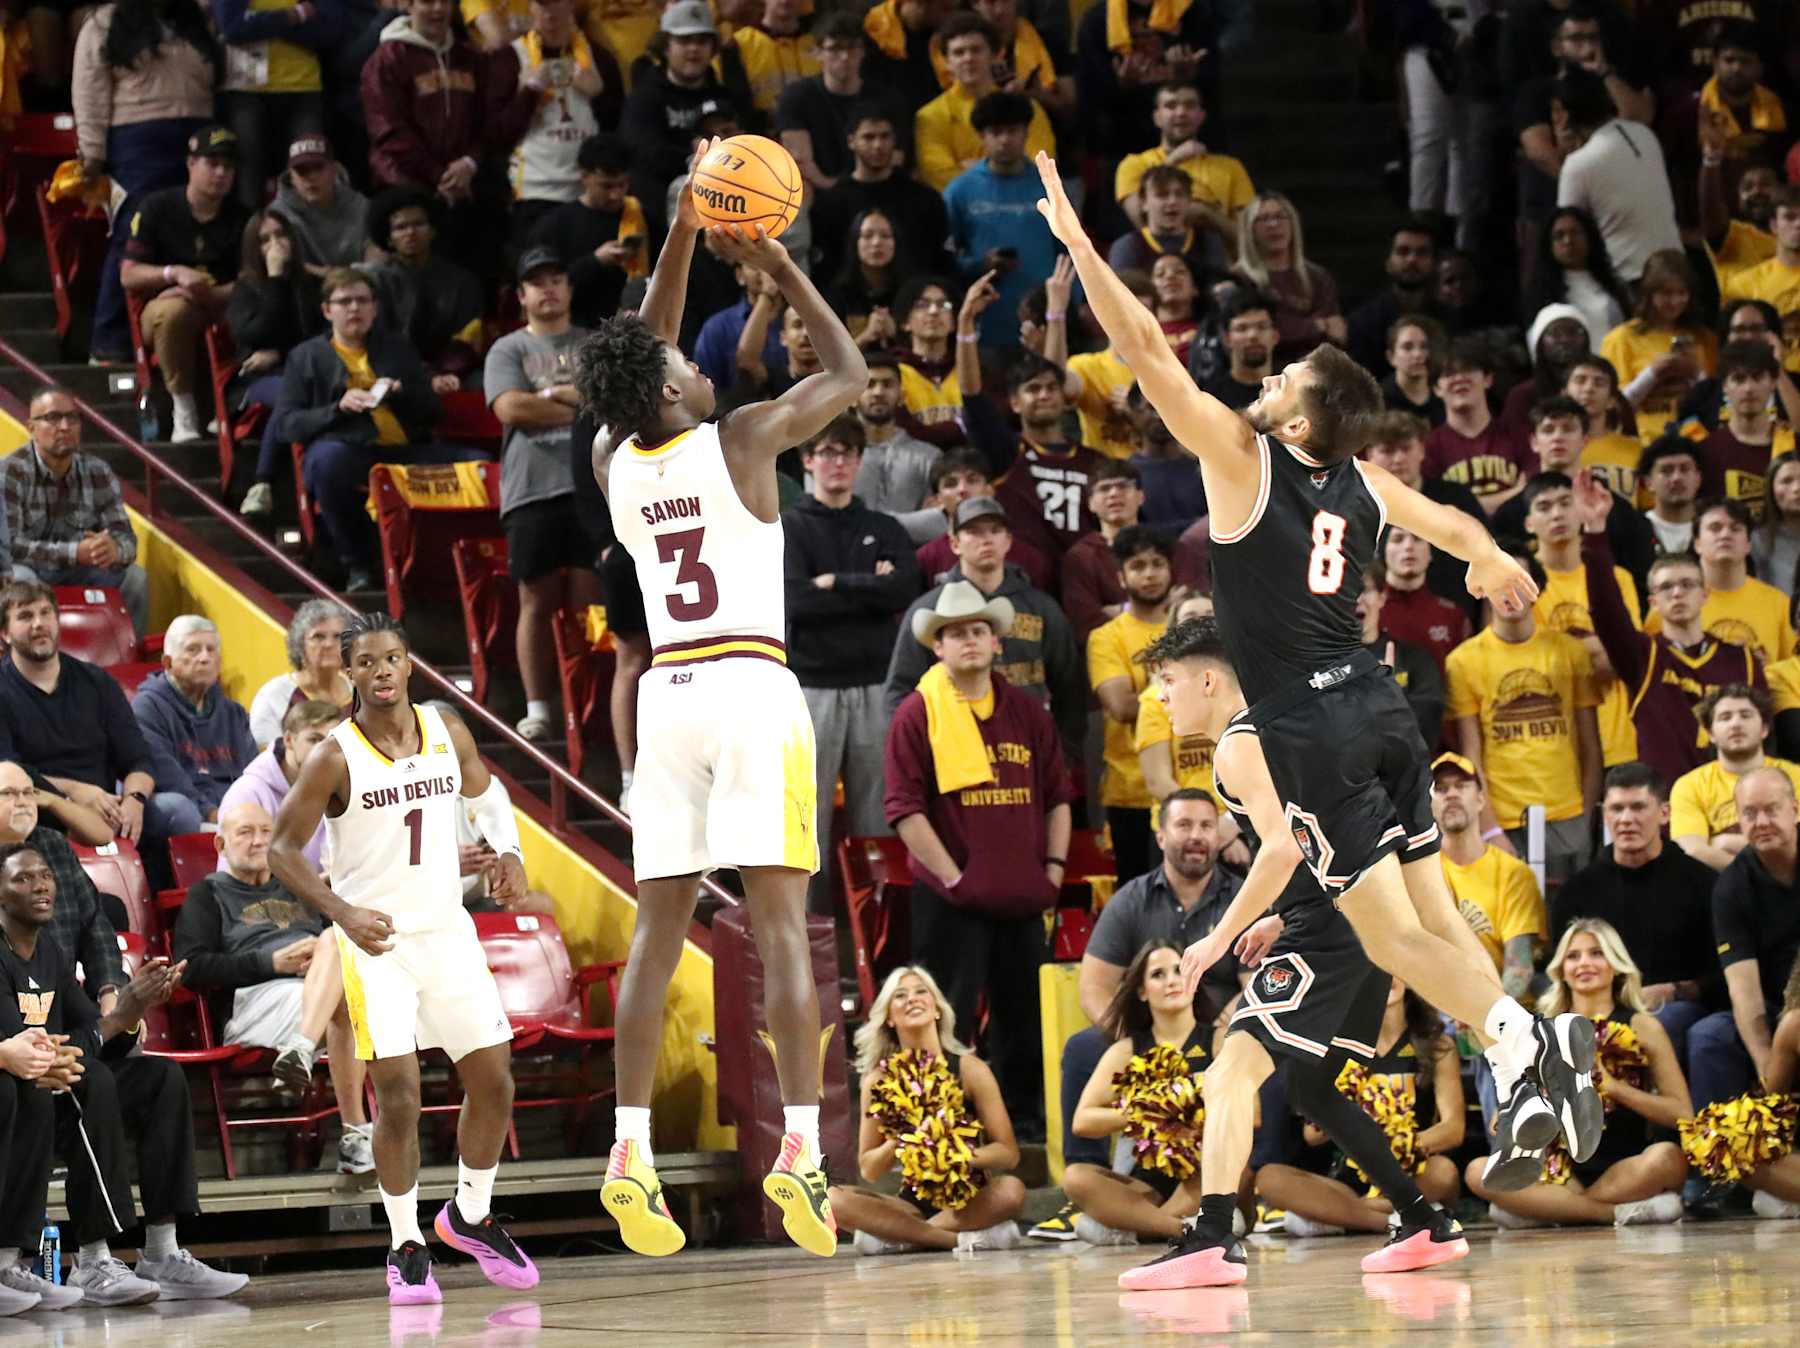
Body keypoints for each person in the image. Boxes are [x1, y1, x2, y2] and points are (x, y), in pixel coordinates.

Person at [1036, 152, 1593, 1286]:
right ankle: (1522, 1046)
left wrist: (1086, 252)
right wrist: (1494, 561)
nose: (1268, 378)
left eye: (1284, 375)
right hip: (1385, 708)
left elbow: (1145, 354)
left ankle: (1516, 1039)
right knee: (1431, 914)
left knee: (1391, 939)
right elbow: (1442, 511)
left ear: (1299, 415)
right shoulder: (1362, 480)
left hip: (1312, 727)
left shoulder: (1248, 466)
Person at [575, 153, 870, 1259]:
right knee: (782, 923)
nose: (700, 367)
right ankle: (803, 1144)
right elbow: (846, 373)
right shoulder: (740, 439)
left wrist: (684, 231)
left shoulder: (615, 457)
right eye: (683, 369)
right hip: (750, 685)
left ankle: (629, 1144)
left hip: (668, 700)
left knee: (660, 937)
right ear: (668, 392)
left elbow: (638, 349)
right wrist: (785, 267)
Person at [1117, 620, 1473, 1290]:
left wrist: (1218, 937)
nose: (1160, 698)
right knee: (1311, 1084)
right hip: (1359, 916)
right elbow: (1319, 840)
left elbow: (1279, 845)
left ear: (1209, 679)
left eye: (1167, 682)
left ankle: (1213, 1235)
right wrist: (1282, 914)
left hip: (1333, 930)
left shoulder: (1238, 743)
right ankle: (1423, 1220)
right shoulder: (1284, 727)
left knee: (1227, 1075)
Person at [270, 613, 539, 1301]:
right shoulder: (335, 754)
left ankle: (470, 1216)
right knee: (400, 1098)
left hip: (447, 931)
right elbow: (279, 850)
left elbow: (485, 791)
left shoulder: (447, 729)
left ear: (409, 663)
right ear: (349, 672)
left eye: (393, 658)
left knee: (497, 1083)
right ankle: (404, 1242)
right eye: (367, 661)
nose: (382, 670)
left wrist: (507, 850)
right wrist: (343, 912)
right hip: (377, 943)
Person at [0, 843, 249, 1306]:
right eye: (22, 878)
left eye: (45, 876)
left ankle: (162, 1253)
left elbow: (96, 1029)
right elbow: (24, 1049)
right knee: (91, 1079)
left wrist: (133, 1005)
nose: (40, 885)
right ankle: (91, 1261)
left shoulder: (50, 951)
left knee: (160, 1078)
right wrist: (75, 1044)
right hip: (16, 1097)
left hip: (54, 1085)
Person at [884, 583, 1072, 1139]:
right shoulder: (917, 714)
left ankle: (1025, 1123)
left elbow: (1058, 796)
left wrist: (1055, 871)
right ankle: (947, 1126)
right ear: (936, 649)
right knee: (946, 1019)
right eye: (954, 633)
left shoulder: (1028, 712)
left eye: (976, 630)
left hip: (1022, 895)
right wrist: (954, 877)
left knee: (1026, 1019)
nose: (967, 640)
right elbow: (904, 810)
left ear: (996, 642)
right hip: (951, 900)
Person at [172, 800, 372, 1173]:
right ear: (221, 845)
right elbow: (191, 968)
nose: (258, 841)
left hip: (313, 996)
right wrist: (270, 963)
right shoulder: (207, 895)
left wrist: (317, 964)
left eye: (266, 832)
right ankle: (355, 1132)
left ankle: (302, 1049)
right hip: (254, 1003)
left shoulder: (296, 888)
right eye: (245, 833)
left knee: (333, 948)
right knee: (344, 982)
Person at [1466, 920, 1690, 1229]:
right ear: (1561, 969)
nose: (1584, 963)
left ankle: (1551, 1212)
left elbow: (1682, 1112)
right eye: (1573, 956)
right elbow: (1505, 1115)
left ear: (1616, 965)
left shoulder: (1642, 1025)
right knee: (1479, 1171)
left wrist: (1614, 1087)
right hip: (1559, 1173)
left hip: (1625, 1168)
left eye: (1596, 953)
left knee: (1668, 1157)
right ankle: (1610, 1214)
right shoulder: (1538, 1030)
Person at [783, 415, 920, 914]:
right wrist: (869, 586)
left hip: (876, 686)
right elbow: (796, 602)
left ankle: (878, 927)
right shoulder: (790, 528)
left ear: (860, 462)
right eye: (827, 452)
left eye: (847, 453)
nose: (837, 462)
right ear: (807, 460)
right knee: (806, 817)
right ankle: (804, 925)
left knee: (876, 821)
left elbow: (904, 589)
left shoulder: (883, 527)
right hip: (812, 688)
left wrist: (835, 583)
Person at [273, 266, 478, 592]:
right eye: (344, 302)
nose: (354, 308)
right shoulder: (306, 356)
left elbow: (432, 412)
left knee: (480, 466)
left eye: (362, 300)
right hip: (351, 451)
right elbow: (286, 425)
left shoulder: (396, 348)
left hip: (406, 450)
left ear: (375, 308)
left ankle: (461, 566)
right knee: (328, 461)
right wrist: (336, 409)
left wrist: (402, 392)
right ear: (327, 311)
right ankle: (356, 564)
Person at [1572, 472, 1762, 786]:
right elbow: (1607, 611)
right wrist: (1594, 530)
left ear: (1704, 595)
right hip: (1668, 815)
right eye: (1666, 587)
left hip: (1734, 806)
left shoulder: (1741, 659)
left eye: (1687, 584)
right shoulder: (1643, 657)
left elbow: (1764, 739)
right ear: (1654, 602)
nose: (1676, 593)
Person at [826, 966, 1027, 1254]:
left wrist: (956, 1156)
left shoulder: (970, 1069)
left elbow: (1008, 1153)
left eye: (922, 991)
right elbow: (869, 1168)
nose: (912, 999)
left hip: (970, 1198)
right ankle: (955, 1240)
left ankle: (900, 1236)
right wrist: (903, 1140)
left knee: (1012, 1190)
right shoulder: (878, 1082)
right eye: (900, 995)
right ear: (889, 1018)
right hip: (912, 1204)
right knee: (833, 1200)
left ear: (937, 1010)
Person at [485, 249, 598, 741]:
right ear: (522, 296)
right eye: (537, 282)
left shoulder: (595, 344)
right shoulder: (507, 349)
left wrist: (551, 400)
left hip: (592, 486)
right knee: (536, 600)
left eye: (557, 279)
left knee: (589, 599)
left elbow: (613, 403)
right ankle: (538, 708)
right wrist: (580, 407)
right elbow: (510, 408)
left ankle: (585, 699)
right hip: (530, 489)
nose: (548, 289)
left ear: (569, 289)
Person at [1551, 763, 1722, 1079]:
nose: (1626, 819)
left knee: (1654, 1026)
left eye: (1638, 807)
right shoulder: (1577, 891)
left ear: (1664, 813)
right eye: (1617, 809)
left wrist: (1677, 990)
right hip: (1597, 1008)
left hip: (1677, 1010)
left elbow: (1724, 971)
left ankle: (1665, 1124)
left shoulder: (1703, 884)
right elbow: (1559, 968)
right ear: (1605, 816)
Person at [72, 0, 221, 365]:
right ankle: (109, 345)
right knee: (132, 232)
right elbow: (88, 88)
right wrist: (91, 152)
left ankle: (177, 342)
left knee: (193, 232)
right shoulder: (104, 22)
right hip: (136, 139)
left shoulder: (198, 18)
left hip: (199, 132)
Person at [1254, 982, 1464, 1239]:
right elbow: (1312, 1135)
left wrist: (1396, 1146)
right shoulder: (1337, 1047)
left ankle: (1339, 1217)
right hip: (1348, 1180)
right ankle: (1398, 1221)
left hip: (1413, 1169)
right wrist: (1345, 1101)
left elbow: (1453, 1129)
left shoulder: (1438, 1045)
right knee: (1269, 1178)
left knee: (1444, 1172)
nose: (1386, 978)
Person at [885, 495, 1086, 760]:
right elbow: (900, 691)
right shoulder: (930, 611)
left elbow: (1070, 688)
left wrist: (1063, 755)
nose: (986, 539)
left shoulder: (1042, 608)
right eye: (973, 531)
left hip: (1027, 750)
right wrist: (918, 755)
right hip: (951, 753)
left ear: (1008, 541)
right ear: (954, 543)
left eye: (995, 530)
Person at [1445, 545, 1602, 884]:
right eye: (1499, 582)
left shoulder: (1570, 653)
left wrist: (1587, 815)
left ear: (1537, 589)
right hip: (1504, 817)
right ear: (1481, 588)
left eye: (1520, 581)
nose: (1510, 593)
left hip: (1569, 813)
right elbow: (1472, 753)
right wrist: (1489, 828)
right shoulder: (1463, 661)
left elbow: (1591, 746)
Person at [0, 581, 182, 849]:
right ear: (4, 633)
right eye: (25, 616)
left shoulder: (97, 680)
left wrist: (134, 799)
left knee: (176, 810)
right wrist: (75, 792)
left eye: (46, 613)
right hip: (37, 806)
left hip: (108, 806)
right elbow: (9, 773)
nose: (38, 624)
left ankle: (151, 890)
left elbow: (138, 759)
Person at [1063, 942, 1218, 1244]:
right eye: (1158, 974)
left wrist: (1188, 1109)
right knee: (1076, 1177)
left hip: (1203, 1171)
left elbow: (1251, 1113)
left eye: (1179, 971)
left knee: (1237, 1165)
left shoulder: (1219, 1040)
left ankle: (1141, 1226)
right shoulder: (1126, 1050)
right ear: (1142, 991)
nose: (1172, 980)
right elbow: (1083, 1120)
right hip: (1146, 1181)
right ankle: (1180, 1230)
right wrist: (1149, 1109)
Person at [119, 124, 249, 444]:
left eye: (228, 167)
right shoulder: (157, 206)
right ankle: (184, 407)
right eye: (212, 164)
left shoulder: (243, 216)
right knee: (174, 312)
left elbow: (253, 280)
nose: (221, 173)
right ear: (191, 164)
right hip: (164, 304)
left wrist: (209, 294)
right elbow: (128, 274)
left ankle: (237, 405)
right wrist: (173, 273)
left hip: (221, 303)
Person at [1515, 471, 1641, 768]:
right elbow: (1537, 666)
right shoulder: (1521, 584)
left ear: (1581, 509)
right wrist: (1595, 646)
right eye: (1544, 507)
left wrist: (1566, 649)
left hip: (1620, 739)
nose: (1557, 514)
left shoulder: (1617, 578)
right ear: (1529, 523)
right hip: (1555, 745)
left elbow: (1627, 657)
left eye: (1565, 503)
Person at [1694, 766, 1800, 1114]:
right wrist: (1769, 1069)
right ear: (1738, 821)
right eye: (1750, 813)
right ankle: (1727, 1149)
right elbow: (1744, 992)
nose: (1762, 822)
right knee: (1708, 1037)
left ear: (1795, 810)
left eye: (1772, 809)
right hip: (1772, 1005)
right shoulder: (1731, 888)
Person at [3, 387, 150, 634]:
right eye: (52, 418)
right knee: (21, 581)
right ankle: (22, 663)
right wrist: (74, 552)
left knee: (135, 578)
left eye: (72, 418)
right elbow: (10, 547)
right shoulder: (10, 472)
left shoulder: (97, 471)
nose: (64, 426)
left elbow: (127, 539)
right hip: (26, 568)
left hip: (77, 570)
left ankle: (127, 660)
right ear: (31, 428)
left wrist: (114, 550)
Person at [361, 0, 490, 264]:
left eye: (445, 2)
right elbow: (388, 131)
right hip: (406, 189)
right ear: (408, 6)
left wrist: (469, 163)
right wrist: (439, 176)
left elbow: (485, 122)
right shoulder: (387, 59)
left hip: (464, 189)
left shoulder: (469, 58)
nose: (438, 9)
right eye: (428, 2)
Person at [485, 0, 613, 238]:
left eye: (557, 3)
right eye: (542, 4)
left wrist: (599, 94)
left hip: (587, 193)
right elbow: (495, 135)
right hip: (534, 193)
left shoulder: (598, 58)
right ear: (531, 8)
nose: (550, 13)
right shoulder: (510, 58)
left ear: (572, 5)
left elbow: (615, 127)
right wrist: (530, 92)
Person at [943, 92, 1060, 351]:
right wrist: (980, 265)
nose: (1005, 140)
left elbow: (1069, 253)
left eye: (1012, 131)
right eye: (996, 132)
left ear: (1026, 133)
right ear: (982, 137)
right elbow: (947, 259)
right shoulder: (959, 191)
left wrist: (1073, 303)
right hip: (988, 322)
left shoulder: (1050, 185)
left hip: (1045, 320)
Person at [1089, 527, 1173, 882]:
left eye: (1157, 564)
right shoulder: (1107, 637)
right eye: (1138, 566)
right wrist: (1186, 695)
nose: (1150, 573)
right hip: (1130, 795)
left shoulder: (1190, 627)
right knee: (1141, 902)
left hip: (1195, 788)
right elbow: (1121, 706)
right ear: (1121, 578)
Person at [230, 211, 326, 518]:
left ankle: (273, 485)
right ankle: (262, 482)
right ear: (252, 248)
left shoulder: (311, 285)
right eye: (265, 240)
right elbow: (254, 334)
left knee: (295, 391)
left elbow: (319, 338)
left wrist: (282, 355)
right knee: (289, 391)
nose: (275, 245)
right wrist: (274, 281)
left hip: (304, 374)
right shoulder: (246, 288)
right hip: (257, 380)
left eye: (280, 235)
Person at [1553, 68, 1679, 285]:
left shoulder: (1579, 164)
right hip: (1677, 270)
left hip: (1629, 282)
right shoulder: (1645, 134)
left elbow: (1568, 236)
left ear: (1564, 114)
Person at [132, 615, 258, 827]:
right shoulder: (147, 708)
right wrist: (211, 812)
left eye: (211, 650)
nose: (204, 658)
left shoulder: (234, 713)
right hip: (189, 812)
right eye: (193, 650)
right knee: (178, 808)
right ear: (167, 662)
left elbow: (254, 774)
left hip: (234, 814)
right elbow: (167, 777)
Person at [618, 3, 734, 222]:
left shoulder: (723, 96)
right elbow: (644, 152)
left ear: (713, 48)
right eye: (684, 41)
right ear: (665, 47)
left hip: (717, 200)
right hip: (658, 210)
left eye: (702, 41)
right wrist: (694, 154)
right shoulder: (644, 96)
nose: (693, 49)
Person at [810, 105, 949, 284]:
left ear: (894, 141)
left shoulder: (925, 199)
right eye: (869, 137)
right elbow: (825, 268)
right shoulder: (829, 204)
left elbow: (939, 262)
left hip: (914, 303)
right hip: (847, 305)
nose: (878, 145)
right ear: (851, 141)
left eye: (885, 136)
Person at [915, 15, 1053, 194]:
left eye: (976, 50)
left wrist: (970, 167)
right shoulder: (930, 116)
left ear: (996, 55)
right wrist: (1002, 166)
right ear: (946, 62)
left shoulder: (1027, 108)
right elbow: (937, 174)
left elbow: (1041, 165)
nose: (968, 58)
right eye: (959, 52)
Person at [364, 189, 486, 390]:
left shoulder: (461, 281)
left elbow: (468, 337)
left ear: (432, 230)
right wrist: (425, 376)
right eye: (401, 227)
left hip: (454, 372)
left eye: (418, 224)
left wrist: (446, 374)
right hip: (396, 372)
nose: (410, 232)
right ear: (389, 238)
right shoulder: (377, 282)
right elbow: (380, 341)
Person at [1114, 82, 1251, 259]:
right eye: (1171, 106)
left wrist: (1205, 213)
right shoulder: (1133, 165)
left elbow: (1247, 239)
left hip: (1218, 265)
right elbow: (1142, 220)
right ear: (1157, 117)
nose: (1181, 112)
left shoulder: (1230, 167)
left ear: (1201, 116)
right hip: (1155, 265)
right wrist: (1174, 160)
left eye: (1190, 105)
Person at [1649, 498, 1797, 663]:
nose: (1725, 534)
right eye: (1715, 528)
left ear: (1748, 543)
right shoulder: (1668, 603)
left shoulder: (1779, 604)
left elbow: (1793, 673)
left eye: (1735, 528)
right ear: (1697, 543)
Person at [1671, 685, 1800, 870]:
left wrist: (1724, 842)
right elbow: (1692, 851)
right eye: (1725, 717)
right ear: (1710, 734)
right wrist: (1755, 875)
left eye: (1746, 715)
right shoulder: (1689, 785)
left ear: (1764, 728)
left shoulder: (1795, 776)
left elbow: (1794, 845)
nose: (1736, 724)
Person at [529, 134, 649, 329]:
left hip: (635, 329)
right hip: (576, 332)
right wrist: (596, 261)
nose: (616, 194)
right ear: (584, 176)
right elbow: (545, 290)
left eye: (623, 184)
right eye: (607, 186)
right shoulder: (555, 226)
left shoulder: (640, 218)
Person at [1599, 249, 1716, 443]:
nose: (1675, 301)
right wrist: (1652, 374)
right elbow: (1613, 410)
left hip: (1696, 441)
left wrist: (1695, 372)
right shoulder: (1620, 339)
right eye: (1666, 293)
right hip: (1642, 442)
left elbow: (1716, 403)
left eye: (1682, 293)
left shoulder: (1704, 338)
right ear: (1648, 293)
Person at [221, 697, 339, 871]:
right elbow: (234, 877)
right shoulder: (247, 792)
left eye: (330, 742)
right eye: (314, 740)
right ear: (288, 740)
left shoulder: (339, 787)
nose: (322, 750)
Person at [1423, 339, 1536, 513]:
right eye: (1449, 373)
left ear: (1488, 379)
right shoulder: (1428, 447)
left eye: (1468, 370)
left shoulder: (1517, 434)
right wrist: (1513, 493)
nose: (1459, 378)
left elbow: (1532, 494)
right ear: (1436, 388)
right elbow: (1436, 511)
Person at [1230, 192, 1343, 366]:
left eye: (1280, 217)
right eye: (1263, 219)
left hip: (1313, 371)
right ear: (1249, 229)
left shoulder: (1317, 277)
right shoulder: (1239, 279)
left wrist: (1294, 328)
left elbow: (1337, 333)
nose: (1273, 224)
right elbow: (1260, 335)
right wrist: (1316, 326)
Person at [911, 450, 1051, 589]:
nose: (962, 489)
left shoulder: (1030, 558)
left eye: (972, 480)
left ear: (990, 491)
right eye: (951, 483)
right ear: (938, 499)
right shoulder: (926, 558)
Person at [1700, 343, 1800, 522]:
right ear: (1724, 386)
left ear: (1773, 382)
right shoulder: (1706, 451)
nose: (1749, 388)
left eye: (1757, 377)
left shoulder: (1794, 445)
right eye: (1739, 379)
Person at [775, 13, 872, 193]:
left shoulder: (883, 98)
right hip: (820, 190)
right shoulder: (796, 97)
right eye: (835, 48)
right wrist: (837, 190)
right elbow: (801, 160)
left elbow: (895, 158)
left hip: (873, 188)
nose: (844, 56)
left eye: (852, 47)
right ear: (818, 52)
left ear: (862, 51)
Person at [849, 357, 943, 543]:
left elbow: (938, 524)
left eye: (888, 385)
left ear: (902, 396)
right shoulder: (833, 456)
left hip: (909, 561)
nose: (878, 392)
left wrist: (862, 525)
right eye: (869, 384)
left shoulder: (929, 456)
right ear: (852, 397)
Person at [248, 599, 354, 748]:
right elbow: (268, 761)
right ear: (299, 645)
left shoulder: (360, 691)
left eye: (337, 636)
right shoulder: (274, 695)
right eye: (318, 636)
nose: (329, 644)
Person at [1358, 564, 1443, 749]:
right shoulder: (1325, 661)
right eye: (1350, 591)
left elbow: (1428, 724)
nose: (1357, 599)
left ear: (1382, 597)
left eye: (1365, 590)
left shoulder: (1415, 658)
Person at [1060, 460, 1143, 645]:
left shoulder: (1166, 548)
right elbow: (1085, 623)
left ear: (1141, 496)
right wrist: (1147, 611)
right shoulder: (1079, 557)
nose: (1114, 493)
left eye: (1123, 486)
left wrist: (1118, 610)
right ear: (1090, 503)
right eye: (1104, 488)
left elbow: (1182, 606)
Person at [1523, 207, 1629, 348]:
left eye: (1575, 233)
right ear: (1549, 245)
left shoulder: (1614, 284)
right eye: (1559, 236)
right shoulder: (1541, 292)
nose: (1568, 241)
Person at [1345, 220, 1439, 377]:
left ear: (1434, 262)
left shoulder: (1450, 317)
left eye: (1422, 252)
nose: (1412, 259)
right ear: (1388, 262)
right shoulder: (1364, 320)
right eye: (1403, 251)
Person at [270, 137, 369, 273]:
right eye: (302, 170)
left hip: (358, 287)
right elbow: (280, 263)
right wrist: (330, 275)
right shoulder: (275, 215)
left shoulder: (361, 206)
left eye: (318, 167)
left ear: (334, 170)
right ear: (291, 177)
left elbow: (376, 258)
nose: (311, 177)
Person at [1201, 290, 1276, 412]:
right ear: (1227, 339)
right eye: (1242, 328)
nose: (1253, 335)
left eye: (1262, 327)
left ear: (1275, 336)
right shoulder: (1210, 398)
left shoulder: (1291, 389)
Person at [1638, 435, 1703, 556]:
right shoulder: (1632, 530)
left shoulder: (1713, 530)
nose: (1676, 478)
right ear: (1648, 482)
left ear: (1698, 479)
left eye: (1685, 469)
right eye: (1666, 470)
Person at [1378, 315, 1447, 426]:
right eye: (1407, 347)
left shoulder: (1445, 398)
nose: (1417, 354)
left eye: (1424, 346)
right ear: (1391, 357)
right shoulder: (1378, 402)